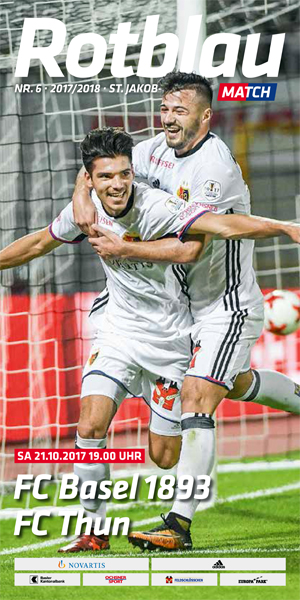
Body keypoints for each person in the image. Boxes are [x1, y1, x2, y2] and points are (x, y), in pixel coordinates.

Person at [73, 72, 300, 551]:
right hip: (183, 309)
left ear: (204, 115)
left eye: (181, 110)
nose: (169, 117)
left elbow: (192, 249)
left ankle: (178, 525)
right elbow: (99, 164)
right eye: (166, 108)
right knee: (226, 383)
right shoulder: (152, 149)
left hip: (226, 304)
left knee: (199, 394)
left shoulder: (211, 166)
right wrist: (81, 200)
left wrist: (282, 227)